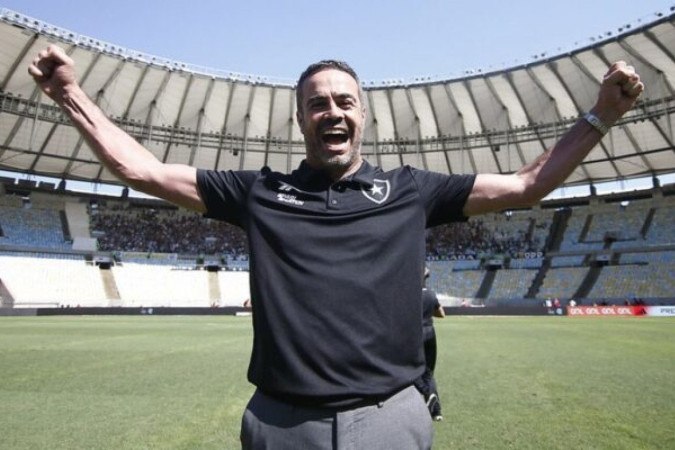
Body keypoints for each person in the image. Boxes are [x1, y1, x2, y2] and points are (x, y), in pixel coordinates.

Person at [28, 45, 643, 449]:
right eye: (317, 104)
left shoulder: (411, 191)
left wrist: (601, 116)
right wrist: (68, 95)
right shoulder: (258, 192)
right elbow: (143, 171)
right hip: (281, 423)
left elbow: (529, 184)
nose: (332, 112)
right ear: (300, 119)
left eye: (344, 101)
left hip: (390, 420)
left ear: (363, 115)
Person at [414, 267, 446, 422]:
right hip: (430, 333)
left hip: (415, 335)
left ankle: (426, 392)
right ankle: (436, 412)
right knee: (429, 373)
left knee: (411, 369)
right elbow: (442, 314)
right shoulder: (431, 294)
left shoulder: (410, 294)